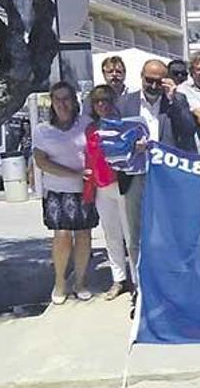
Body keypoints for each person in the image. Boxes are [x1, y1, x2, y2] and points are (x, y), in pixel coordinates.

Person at [115, 59, 196, 290]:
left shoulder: (176, 100)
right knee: (136, 235)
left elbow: (188, 132)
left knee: (169, 233)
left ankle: (170, 286)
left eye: (158, 81)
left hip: (166, 176)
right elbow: (113, 138)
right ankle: (141, 289)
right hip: (135, 175)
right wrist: (132, 144)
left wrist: (174, 101)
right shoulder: (124, 103)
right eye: (148, 80)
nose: (153, 85)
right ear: (141, 77)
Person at [33, 82, 98, 305]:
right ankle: (60, 283)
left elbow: (96, 151)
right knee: (61, 236)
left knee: (83, 235)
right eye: (57, 99)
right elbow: (41, 161)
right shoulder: (42, 130)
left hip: (84, 191)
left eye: (66, 98)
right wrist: (74, 173)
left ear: (74, 101)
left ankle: (80, 282)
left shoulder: (86, 124)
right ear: (51, 102)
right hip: (56, 192)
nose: (62, 103)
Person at [83, 85, 130, 301]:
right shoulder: (90, 129)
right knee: (111, 236)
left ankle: (138, 281)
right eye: (97, 101)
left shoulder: (123, 125)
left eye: (106, 101)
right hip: (101, 187)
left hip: (121, 185)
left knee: (130, 236)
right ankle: (118, 279)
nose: (102, 105)